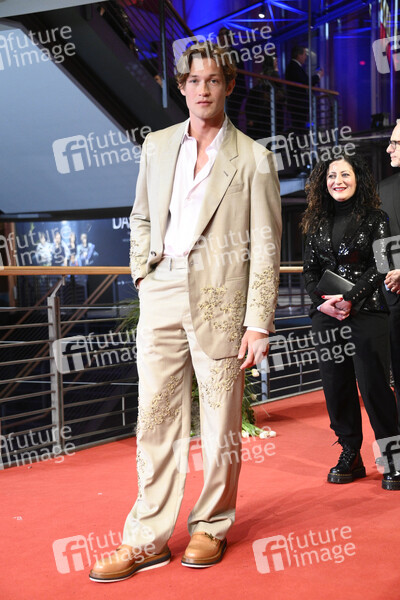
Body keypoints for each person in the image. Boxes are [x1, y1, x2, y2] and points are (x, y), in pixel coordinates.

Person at [89, 41, 281, 582]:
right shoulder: (156, 146)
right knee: (154, 417)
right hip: (161, 290)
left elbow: (266, 247)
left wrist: (258, 322)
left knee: (220, 421)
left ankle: (211, 525)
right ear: (181, 86)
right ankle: (146, 538)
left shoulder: (254, 158)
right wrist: (142, 274)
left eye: (213, 80)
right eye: (194, 81)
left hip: (222, 299)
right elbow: (141, 215)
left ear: (228, 85)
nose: (203, 90)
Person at [301, 153, 400, 491]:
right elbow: (309, 272)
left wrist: (350, 298)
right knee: (336, 386)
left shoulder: (377, 217)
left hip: (367, 312)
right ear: (323, 182)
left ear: (358, 178)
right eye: (331, 176)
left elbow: (383, 266)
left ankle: (393, 458)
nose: (338, 181)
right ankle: (350, 454)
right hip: (327, 317)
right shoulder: (314, 222)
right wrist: (323, 303)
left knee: (374, 387)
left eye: (345, 175)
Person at [378, 119, 400, 426]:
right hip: (395, 301)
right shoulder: (384, 189)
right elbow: (381, 245)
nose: (388, 148)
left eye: (395, 143)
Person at [285, 45, 323, 134]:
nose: (305, 57)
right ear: (299, 55)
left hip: (297, 102)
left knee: (300, 126)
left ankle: (300, 140)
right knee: (299, 127)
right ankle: (299, 141)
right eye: (305, 54)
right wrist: (318, 76)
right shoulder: (294, 66)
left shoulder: (293, 66)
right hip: (298, 103)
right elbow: (305, 81)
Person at [245, 54, 285, 140]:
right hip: (269, 114)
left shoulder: (257, 87)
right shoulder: (273, 75)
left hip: (263, 116)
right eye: (275, 61)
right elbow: (281, 92)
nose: (277, 63)